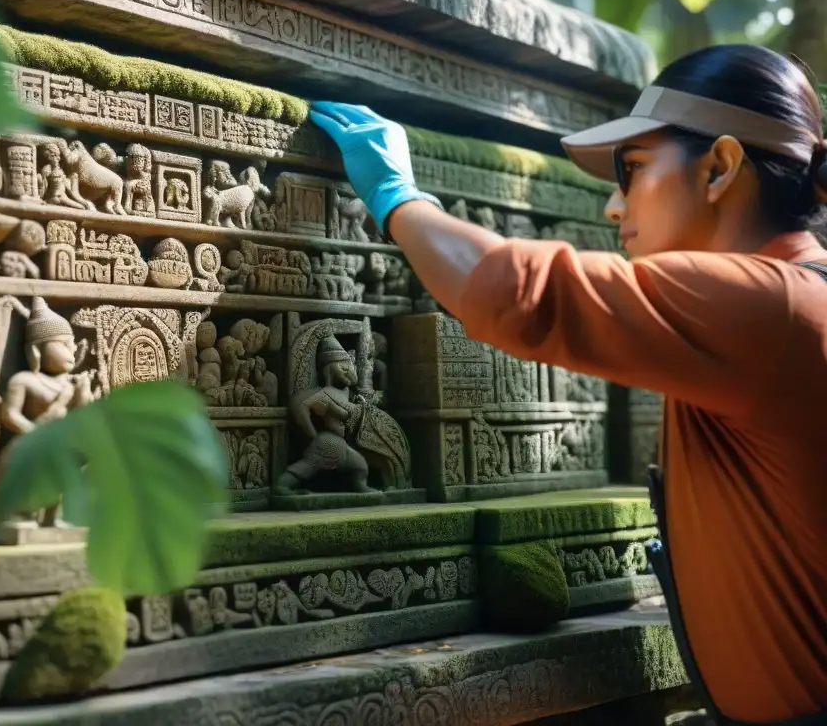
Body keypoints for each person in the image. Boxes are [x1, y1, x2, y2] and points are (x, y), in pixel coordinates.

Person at [310, 43, 827, 726]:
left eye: (633, 169)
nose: (615, 207)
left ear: (719, 168)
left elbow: (522, 294)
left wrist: (400, 199)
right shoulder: (792, 299)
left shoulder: (770, 308)